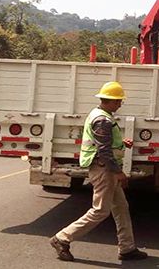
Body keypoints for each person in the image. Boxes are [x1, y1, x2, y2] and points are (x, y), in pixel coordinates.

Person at [50, 81, 148, 262]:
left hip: (104, 168)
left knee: (121, 207)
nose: (120, 104)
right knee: (100, 210)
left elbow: (105, 143)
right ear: (108, 101)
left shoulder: (102, 115)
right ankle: (62, 238)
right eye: (118, 101)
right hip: (104, 169)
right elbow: (104, 150)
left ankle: (127, 248)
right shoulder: (102, 119)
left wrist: (121, 143)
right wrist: (118, 172)